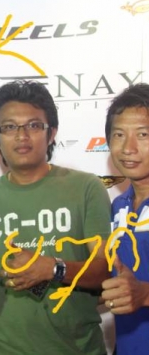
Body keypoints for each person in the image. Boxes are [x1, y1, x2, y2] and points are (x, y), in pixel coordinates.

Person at [0, 80, 111, 355]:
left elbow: (106, 270)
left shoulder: (86, 187)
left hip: (77, 349)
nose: (22, 136)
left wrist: (53, 268)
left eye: (34, 125)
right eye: (10, 127)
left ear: (52, 133)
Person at [101, 83, 149, 355]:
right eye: (119, 134)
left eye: (143, 134)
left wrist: (145, 294)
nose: (129, 148)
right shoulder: (118, 206)